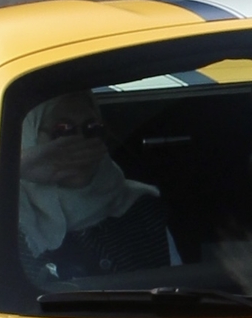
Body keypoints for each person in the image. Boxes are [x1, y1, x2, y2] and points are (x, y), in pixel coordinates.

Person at [13, 90, 171, 283]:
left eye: (92, 128)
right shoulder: (3, 212)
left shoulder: (138, 205)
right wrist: (17, 167)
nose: (80, 141)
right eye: (63, 130)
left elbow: (177, 288)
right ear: (31, 137)